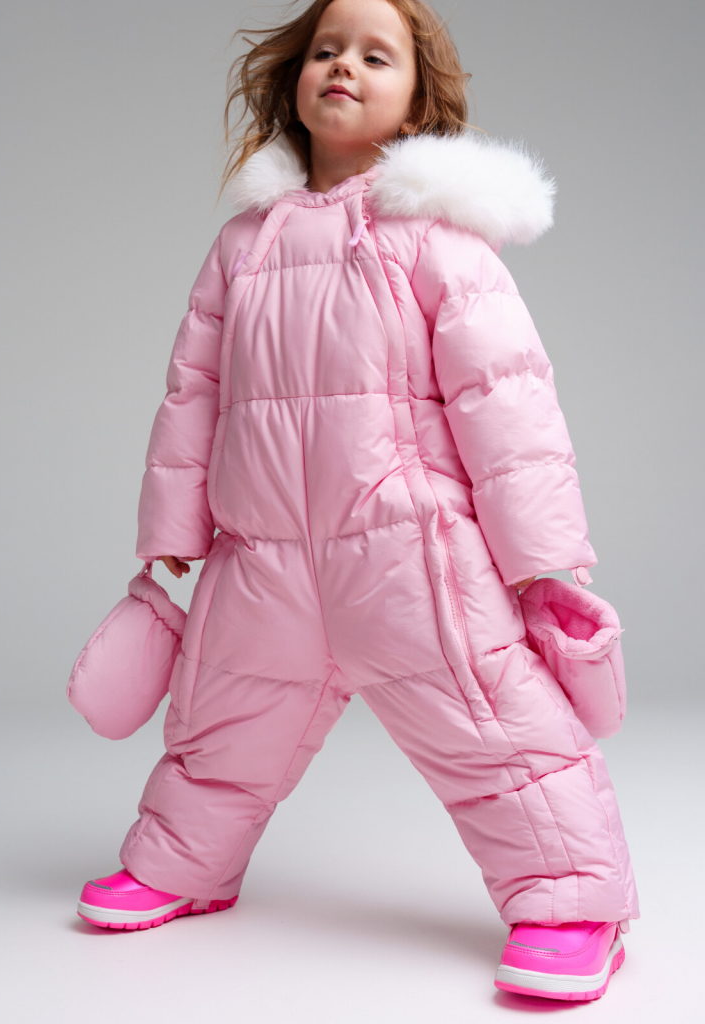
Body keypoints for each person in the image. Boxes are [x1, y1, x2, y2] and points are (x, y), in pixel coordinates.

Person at [76, 0, 639, 1002]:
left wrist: (540, 558)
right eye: (327, 50)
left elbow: (508, 402)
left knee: (497, 731)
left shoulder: (438, 242)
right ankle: (182, 863)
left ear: (417, 101)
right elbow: (193, 396)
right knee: (221, 730)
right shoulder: (243, 246)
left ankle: (571, 900)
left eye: (377, 56)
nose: (344, 66)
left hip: (410, 558)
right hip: (263, 560)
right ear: (294, 79)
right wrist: (171, 538)